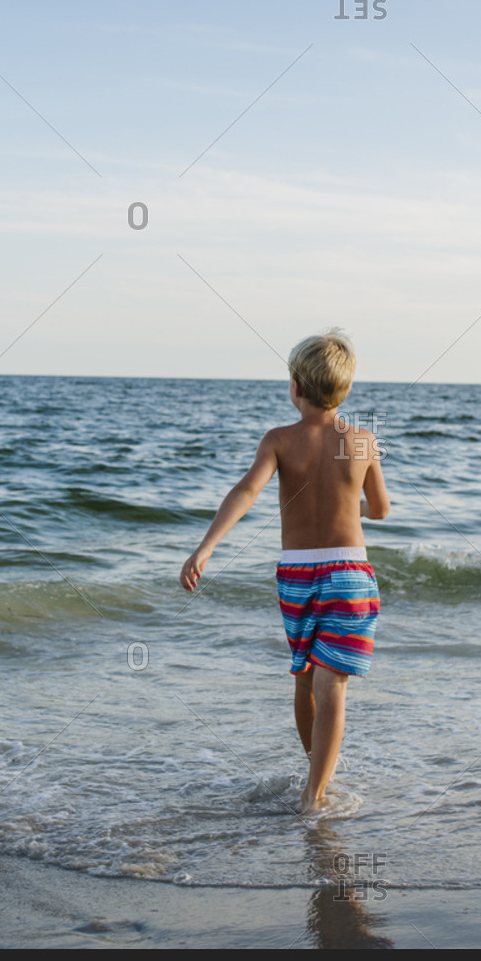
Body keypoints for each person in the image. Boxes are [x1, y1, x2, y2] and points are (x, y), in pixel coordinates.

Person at [180, 329, 389, 813]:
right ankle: (316, 792)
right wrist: (352, 504)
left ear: (295, 387)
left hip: (297, 577)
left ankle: (315, 777)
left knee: (304, 678)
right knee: (332, 683)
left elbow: (246, 492)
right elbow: (380, 509)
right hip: (350, 574)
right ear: (347, 391)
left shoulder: (278, 440)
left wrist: (206, 547)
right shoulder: (361, 442)